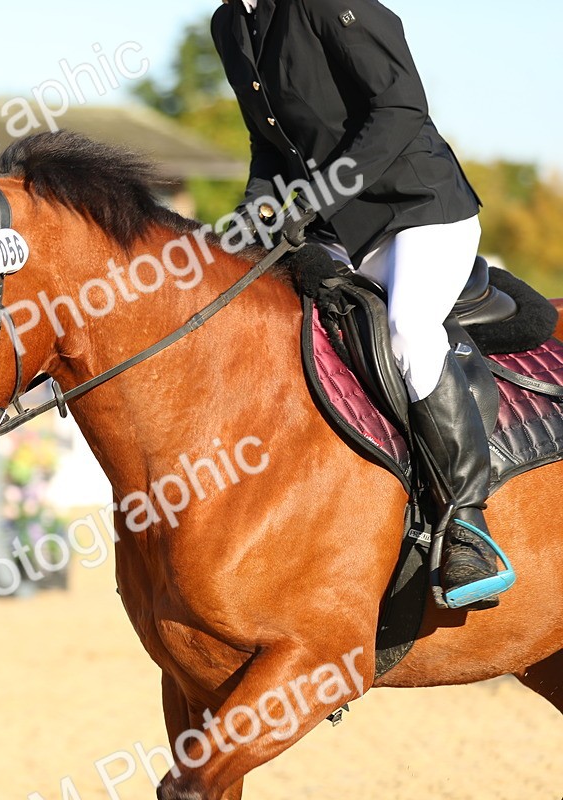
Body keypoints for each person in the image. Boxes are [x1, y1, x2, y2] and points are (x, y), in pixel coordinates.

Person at [211, 0, 513, 608]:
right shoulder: (229, 26)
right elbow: (270, 146)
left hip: (424, 211)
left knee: (405, 326)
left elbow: (400, 107)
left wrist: (316, 197)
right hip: (345, 230)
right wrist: (254, 213)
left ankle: (466, 521)